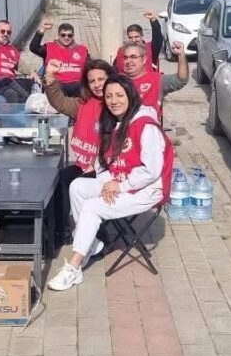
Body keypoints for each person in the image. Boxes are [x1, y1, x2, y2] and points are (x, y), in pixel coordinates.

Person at [47, 76, 173, 291]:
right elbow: (103, 162)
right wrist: (108, 182)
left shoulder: (145, 125)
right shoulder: (113, 122)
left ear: (130, 96)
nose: (114, 101)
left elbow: (152, 171)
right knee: (77, 186)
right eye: (109, 96)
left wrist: (119, 186)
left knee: (92, 207)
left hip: (147, 189)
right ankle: (91, 243)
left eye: (119, 95)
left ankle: (74, 267)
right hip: (120, 180)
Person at [43, 58, 113, 241]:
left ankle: (97, 237)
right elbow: (59, 102)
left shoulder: (115, 105)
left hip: (108, 169)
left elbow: (117, 144)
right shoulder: (83, 104)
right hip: (86, 165)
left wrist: (97, 165)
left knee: (75, 185)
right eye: (92, 81)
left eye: (101, 79)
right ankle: (60, 231)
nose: (97, 85)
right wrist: (50, 77)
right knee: (59, 179)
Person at [120, 39, 188, 115]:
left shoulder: (157, 80)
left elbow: (180, 80)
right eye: (125, 58)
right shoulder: (117, 81)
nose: (128, 61)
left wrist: (181, 55)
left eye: (133, 57)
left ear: (144, 59)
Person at [0, 20, 36, 104]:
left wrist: (32, 71)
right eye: (2, 31)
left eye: (8, 32)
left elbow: (21, 65)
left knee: (14, 92)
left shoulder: (12, 49)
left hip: (10, 85)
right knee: (14, 91)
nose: (6, 34)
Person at [29, 18, 90, 96]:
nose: (66, 37)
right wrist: (42, 28)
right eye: (63, 35)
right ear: (58, 36)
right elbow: (33, 47)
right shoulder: (49, 47)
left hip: (78, 85)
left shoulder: (82, 49)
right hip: (57, 85)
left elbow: (91, 67)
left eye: (69, 35)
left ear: (73, 36)